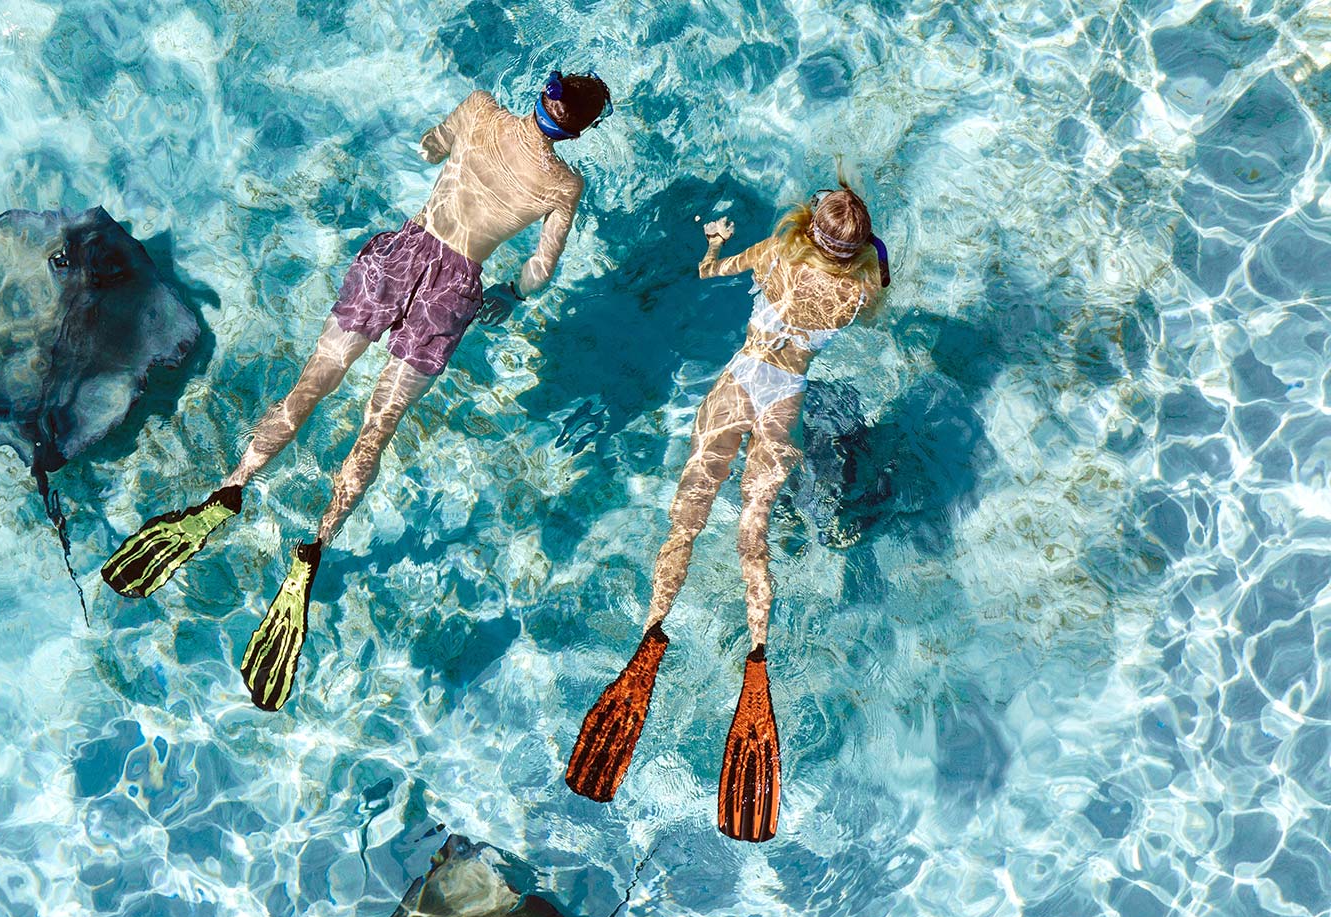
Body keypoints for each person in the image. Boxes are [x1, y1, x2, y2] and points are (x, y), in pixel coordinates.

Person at [102, 71, 614, 711]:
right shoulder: (566, 185)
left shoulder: (482, 109)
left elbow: (428, 147)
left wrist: (449, 146)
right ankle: (313, 548)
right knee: (380, 425)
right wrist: (512, 294)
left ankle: (231, 487)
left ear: (544, 94)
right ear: (582, 128)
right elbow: (539, 270)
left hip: (404, 252)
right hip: (455, 292)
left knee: (309, 387)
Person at [563, 186, 890, 842]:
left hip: (737, 382)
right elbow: (876, 310)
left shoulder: (774, 254)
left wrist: (714, 241)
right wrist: (869, 259)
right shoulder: (854, 293)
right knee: (752, 532)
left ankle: (653, 631)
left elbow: (710, 270)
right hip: (784, 399)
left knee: (687, 517)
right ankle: (759, 653)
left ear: (810, 229)